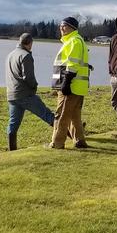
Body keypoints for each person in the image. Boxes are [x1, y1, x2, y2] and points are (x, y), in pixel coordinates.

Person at [5, 33, 54, 151]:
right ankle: (67, 137)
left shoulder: (10, 55)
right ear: (30, 43)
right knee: (47, 115)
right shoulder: (26, 56)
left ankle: (12, 150)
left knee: (13, 124)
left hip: (12, 95)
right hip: (25, 95)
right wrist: (34, 87)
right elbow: (29, 77)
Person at [49, 17, 90, 149]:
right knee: (74, 115)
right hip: (77, 86)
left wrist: (66, 82)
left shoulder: (74, 41)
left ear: (73, 28)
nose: (61, 28)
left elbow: (72, 64)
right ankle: (79, 141)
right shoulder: (75, 41)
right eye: (61, 26)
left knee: (61, 115)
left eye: (65, 26)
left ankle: (57, 143)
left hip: (71, 85)